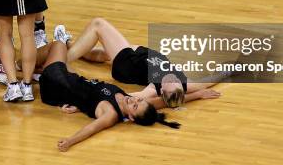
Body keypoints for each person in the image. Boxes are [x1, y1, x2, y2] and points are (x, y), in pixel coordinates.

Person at [38, 41, 180, 152]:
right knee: (54, 54)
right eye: (140, 100)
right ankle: (28, 68)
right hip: (70, 78)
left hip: (56, 83)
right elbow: (163, 102)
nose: (134, 99)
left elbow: (91, 129)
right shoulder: (128, 99)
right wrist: (198, 93)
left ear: (130, 117)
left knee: (58, 44)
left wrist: (70, 141)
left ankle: (22, 66)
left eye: (135, 106)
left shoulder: (111, 114)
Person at [54, 18, 226, 108]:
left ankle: (58, 64)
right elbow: (211, 79)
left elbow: (124, 98)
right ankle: (67, 44)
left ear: (162, 92)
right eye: (175, 82)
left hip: (127, 60)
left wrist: (80, 102)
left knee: (98, 25)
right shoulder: (184, 84)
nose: (171, 79)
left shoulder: (153, 89)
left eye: (168, 83)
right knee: (102, 54)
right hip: (136, 54)